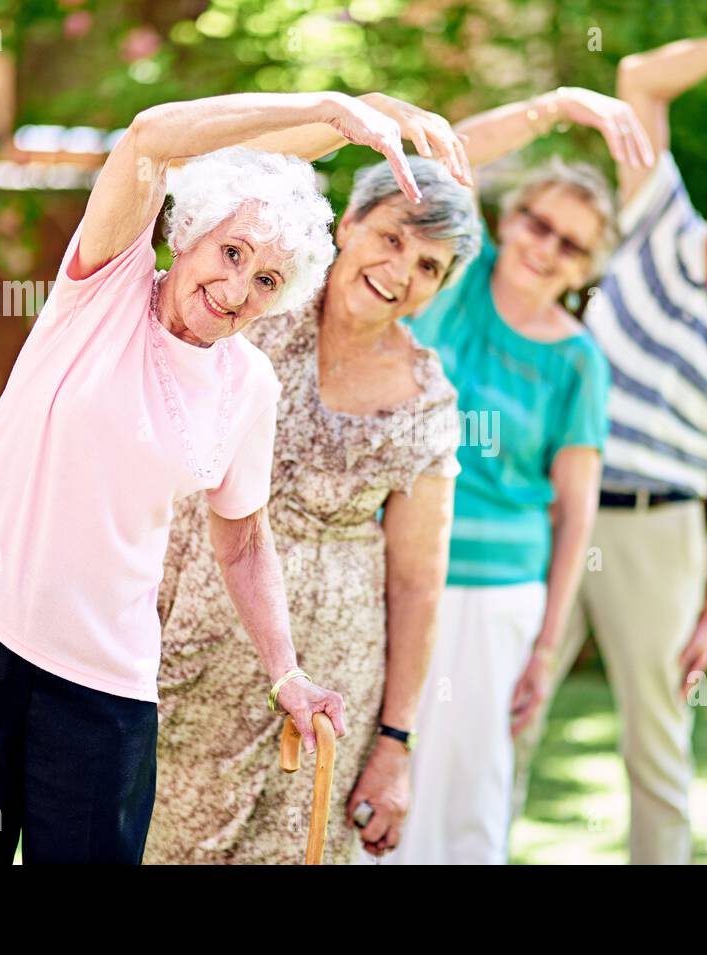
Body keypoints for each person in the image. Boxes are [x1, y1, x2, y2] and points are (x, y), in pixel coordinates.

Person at [0, 89, 425, 863]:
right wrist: (333, 109)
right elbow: (148, 138)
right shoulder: (101, 287)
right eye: (232, 252)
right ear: (191, 233)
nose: (237, 290)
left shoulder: (249, 387)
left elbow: (241, 540)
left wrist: (287, 673)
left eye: (268, 280)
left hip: (102, 685)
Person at [511, 26, 707, 865]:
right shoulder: (656, 215)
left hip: (658, 533)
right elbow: (638, 79)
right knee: (508, 707)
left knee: (655, 750)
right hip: (550, 502)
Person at [145, 96, 479, 864]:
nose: (400, 272)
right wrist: (347, 116)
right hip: (185, 648)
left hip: (327, 688)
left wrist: (395, 739)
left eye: (428, 265)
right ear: (348, 225)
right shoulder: (257, 298)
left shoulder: (429, 400)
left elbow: (420, 584)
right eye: (391, 237)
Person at [381, 88, 654, 865]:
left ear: (585, 269)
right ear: (510, 218)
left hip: (501, 590)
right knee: (384, 764)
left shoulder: (578, 361)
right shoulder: (457, 279)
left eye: (571, 244)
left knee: (471, 781)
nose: (546, 247)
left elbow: (576, 511)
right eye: (538, 222)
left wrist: (546, 642)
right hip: (396, 568)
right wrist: (561, 107)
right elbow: (441, 158)